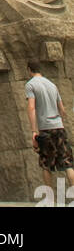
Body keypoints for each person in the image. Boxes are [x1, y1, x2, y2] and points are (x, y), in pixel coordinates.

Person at [25, 59, 74, 191]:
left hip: (45, 128)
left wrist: (34, 131)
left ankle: (50, 199)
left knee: (46, 163)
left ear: (29, 69)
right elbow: (62, 110)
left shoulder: (31, 85)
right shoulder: (52, 85)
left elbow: (31, 107)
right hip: (59, 127)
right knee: (68, 163)